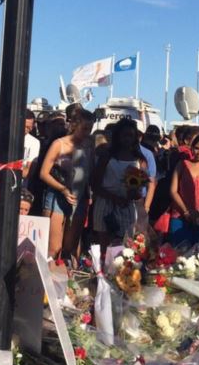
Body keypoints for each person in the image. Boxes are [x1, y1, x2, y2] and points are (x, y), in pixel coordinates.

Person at [39, 108, 94, 261]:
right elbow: (43, 173)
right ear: (75, 126)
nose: (87, 133)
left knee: (70, 246)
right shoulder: (59, 144)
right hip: (58, 194)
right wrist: (62, 189)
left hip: (79, 195)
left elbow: (90, 171)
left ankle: (67, 277)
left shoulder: (89, 145)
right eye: (84, 129)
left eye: (90, 129)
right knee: (54, 247)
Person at [92, 119, 149, 247]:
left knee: (126, 246)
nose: (127, 139)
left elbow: (141, 188)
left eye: (131, 136)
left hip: (127, 205)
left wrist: (133, 193)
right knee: (105, 247)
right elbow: (95, 184)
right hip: (106, 203)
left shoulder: (139, 159)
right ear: (117, 136)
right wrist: (114, 198)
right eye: (124, 135)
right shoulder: (107, 156)